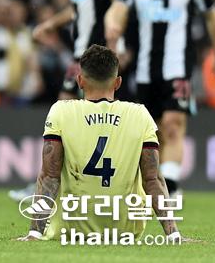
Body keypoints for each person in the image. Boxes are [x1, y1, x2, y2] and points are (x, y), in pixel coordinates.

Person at [11, 0, 122, 202]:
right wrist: (51, 23)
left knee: (79, 118)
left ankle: (62, 185)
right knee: (65, 117)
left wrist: (118, 44)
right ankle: (54, 184)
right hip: (81, 52)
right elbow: (80, 7)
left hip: (99, 53)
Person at [105, 0, 215, 195]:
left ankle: (170, 187)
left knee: (174, 124)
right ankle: (160, 181)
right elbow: (117, 10)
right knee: (154, 132)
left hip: (178, 66)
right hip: (145, 70)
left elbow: (212, 16)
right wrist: (113, 28)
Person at [18, 45, 182, 243]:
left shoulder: (61, 111)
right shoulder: (140, 114)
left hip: (71, 231)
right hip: (124, 232)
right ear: (118, 82)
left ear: (80, 81)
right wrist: (173, 234)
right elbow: (153, 179)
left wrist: (34, 233)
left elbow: (49, 175)